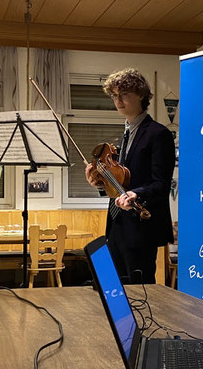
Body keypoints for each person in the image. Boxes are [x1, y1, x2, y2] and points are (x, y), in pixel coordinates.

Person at [85, 68, 175, 284]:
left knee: (140, 290)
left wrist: (136, 195)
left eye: (124, 93)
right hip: (116, 225)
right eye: (115, 95)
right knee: (117, 290)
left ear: (141, 95)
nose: (118, 100)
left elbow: (161, 184)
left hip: (141, 228)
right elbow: (120, 182)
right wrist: (99, 183)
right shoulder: (125, 134)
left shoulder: (158, 134)